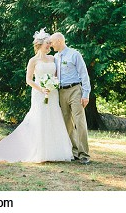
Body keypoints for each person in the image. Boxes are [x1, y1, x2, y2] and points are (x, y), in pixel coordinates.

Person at [0, 29, 73, 163]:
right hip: (39, 93)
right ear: (40, 45)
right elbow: (29, 80)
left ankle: (54, 152)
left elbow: (57, 76)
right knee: (39, 118)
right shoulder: (33, 61)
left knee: (53, 117)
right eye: (47, 43)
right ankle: (39, 152)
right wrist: (41, 89)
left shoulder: (53, 58)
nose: (50, 45)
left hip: (52, 93)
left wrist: (53, 85)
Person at [50, 32, 92, 164]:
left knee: (79, 121)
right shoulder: (55, 57)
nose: (50, 45)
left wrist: (86, 94)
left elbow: (84, 74)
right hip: (61, 92)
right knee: (67, 123)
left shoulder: (75, 54)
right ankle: (74, 152)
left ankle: (84, 154)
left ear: (58, 41)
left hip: (75, 90)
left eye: (51, 42)